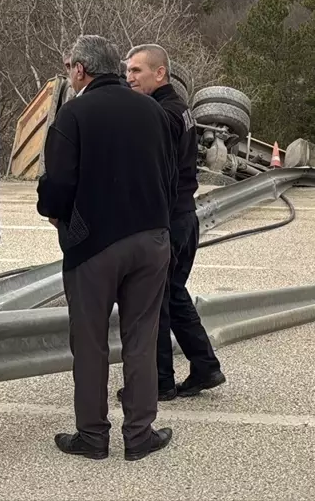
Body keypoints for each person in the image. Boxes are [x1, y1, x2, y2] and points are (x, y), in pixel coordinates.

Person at [36, 35, 177, 462]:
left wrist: (58, 216)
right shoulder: (154, 110)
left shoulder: (73, 114)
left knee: (91, 340)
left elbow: (56, 185)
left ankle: (92, 435)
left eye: (68, 67)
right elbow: (171, 174)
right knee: (142, 336)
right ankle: (140, 433)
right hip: (151, 237)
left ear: (80, 69)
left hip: (94, 244)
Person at [123, 44, 225, 402]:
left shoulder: (161, 114)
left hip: (169, 219)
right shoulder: (179, 110)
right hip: (183, 216)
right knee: (174, 294)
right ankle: (205, 365)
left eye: (136, 71)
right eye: (127, 71)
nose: (129, 77)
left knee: (156, 300)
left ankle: (159, 381)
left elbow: (153, 172)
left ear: (160, 73)